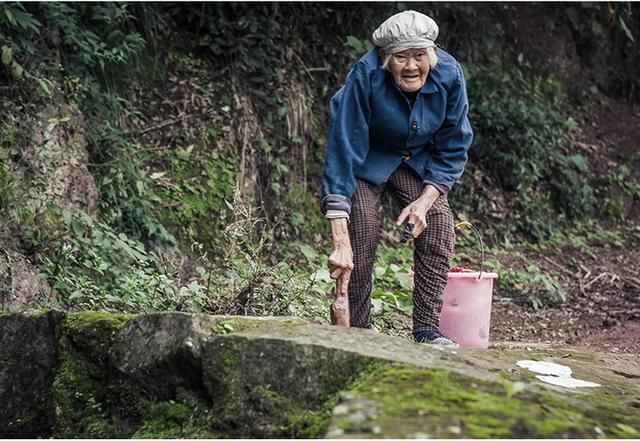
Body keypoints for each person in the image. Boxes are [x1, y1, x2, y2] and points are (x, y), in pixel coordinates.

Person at [320, 10, 473, 345]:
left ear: (432, 55)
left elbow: (454, 144)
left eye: (420, 55)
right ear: (385, 58)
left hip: (414, 160)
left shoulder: (449, 75)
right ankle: (359, 333)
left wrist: (425, 200)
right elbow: (343, 149)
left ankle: (427, 331)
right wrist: (339, 240)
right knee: (361, 232)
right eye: (401, 57)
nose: (411, 66)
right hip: (366, 156)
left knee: (438, 222)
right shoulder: (365, 75)